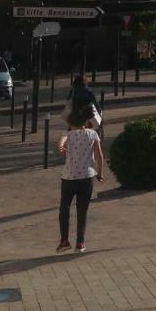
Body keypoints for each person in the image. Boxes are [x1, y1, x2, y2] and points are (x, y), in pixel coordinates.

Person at [55, 106, 104, 253]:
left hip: (69, 178)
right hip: (87, 177)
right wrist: (100, 173)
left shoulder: (68, 135)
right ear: (86, 122)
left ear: (71, 123)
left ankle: (64, 241)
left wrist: (61, 145)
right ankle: (80, 242)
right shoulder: (92, 134)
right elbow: (100, 156)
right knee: (82, 210)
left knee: (64, 208)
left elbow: (62, 140)